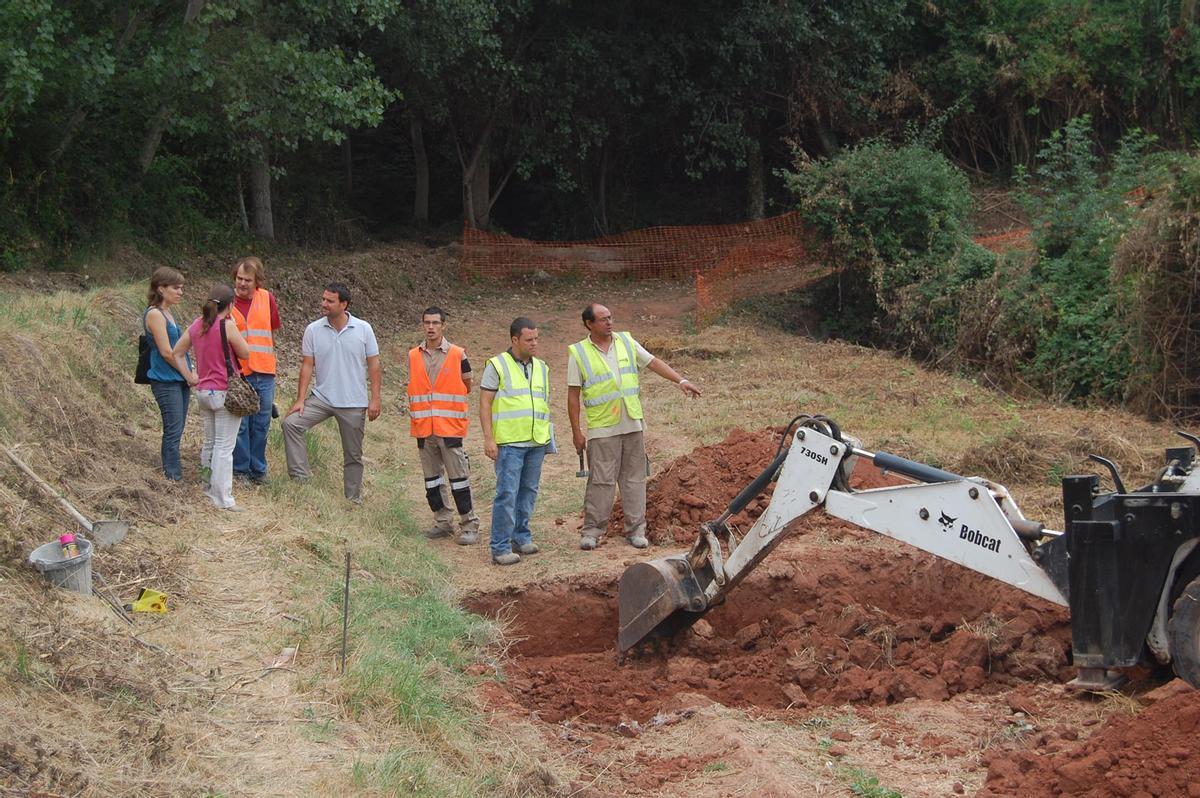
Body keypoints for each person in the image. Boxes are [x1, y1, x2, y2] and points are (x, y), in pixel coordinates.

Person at [567, 302, 701, 550]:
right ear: (589, 324)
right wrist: (577, 431)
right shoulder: (579, 353)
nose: (609, 322)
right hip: (603, 427)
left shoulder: (626, 341)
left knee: (634, 480)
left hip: (631, 423)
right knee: (601, 481)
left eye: (611, 317)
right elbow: (573, 396)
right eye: (603, 319)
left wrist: (680, 380)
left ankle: (636, 530)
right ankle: (592, 531)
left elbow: (653, 362)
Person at [282, 283, 381, 502]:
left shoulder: (364, 329)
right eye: (323, 299)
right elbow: (307, 365)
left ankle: (353, 499)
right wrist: (300, 399)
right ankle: (301, 480)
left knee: (353, 454)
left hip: (354, 402)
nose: (323, 304)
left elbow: (374, 365)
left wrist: (375, 399)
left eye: (329, 301)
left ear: (344, 304)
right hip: (322, 398)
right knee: (291, 424)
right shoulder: (313, 330)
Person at [170, 284, 251, 511]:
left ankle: (207, 489)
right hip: (225, 391)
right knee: (224, 448)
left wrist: (189, 376)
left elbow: (177, 352)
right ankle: (223, 498)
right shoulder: (227, 325)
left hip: (203, 392)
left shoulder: (197, 324)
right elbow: (245, 353)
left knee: (210, 444)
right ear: (231, 305)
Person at [480, 317, 551, 566]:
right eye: (529, 339)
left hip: (536, 441)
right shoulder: (497, 365)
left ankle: (520, 536)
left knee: (528, 492)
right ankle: (500, 546)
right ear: (515, 340)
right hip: (509, 443)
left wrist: (547, 438)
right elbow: (485, 403)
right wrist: (489, 438)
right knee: (507, 494)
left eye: (536, 338)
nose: (534, 343)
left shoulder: (541, 367)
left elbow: (543, 403)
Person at [406, 307, 480, 544]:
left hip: (449, 428)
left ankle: (469, 524)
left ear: (443, 325)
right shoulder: (413, 355)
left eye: (435, 323)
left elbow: (467, 384)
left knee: (459, 479)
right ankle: (442, 521)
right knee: (432, 481)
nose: (430, 327)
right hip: (423, 428)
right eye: (427, 322)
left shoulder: (458, 354)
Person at [229, 256, 281, 485]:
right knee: (241, 424)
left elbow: (273, 330)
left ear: (257, 281)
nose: (242, 283)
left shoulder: (266, 298)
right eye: (239, 278)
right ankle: (240, 471)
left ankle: (258, 470)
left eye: (247, 280)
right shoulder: (226, 301)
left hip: (265, 371)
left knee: (261, 423)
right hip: (239, 372)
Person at [144, 267, 197, 482]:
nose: (180, 292)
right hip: (165, 380)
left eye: (181, 288)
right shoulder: (155, 314)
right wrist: (188, 373)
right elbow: (167, 352)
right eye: (176, 288)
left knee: (178, 427)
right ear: (161, 288)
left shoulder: (167, 312)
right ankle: (172, 477)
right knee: (173, 430)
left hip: (177, 378)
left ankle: (174, 474)